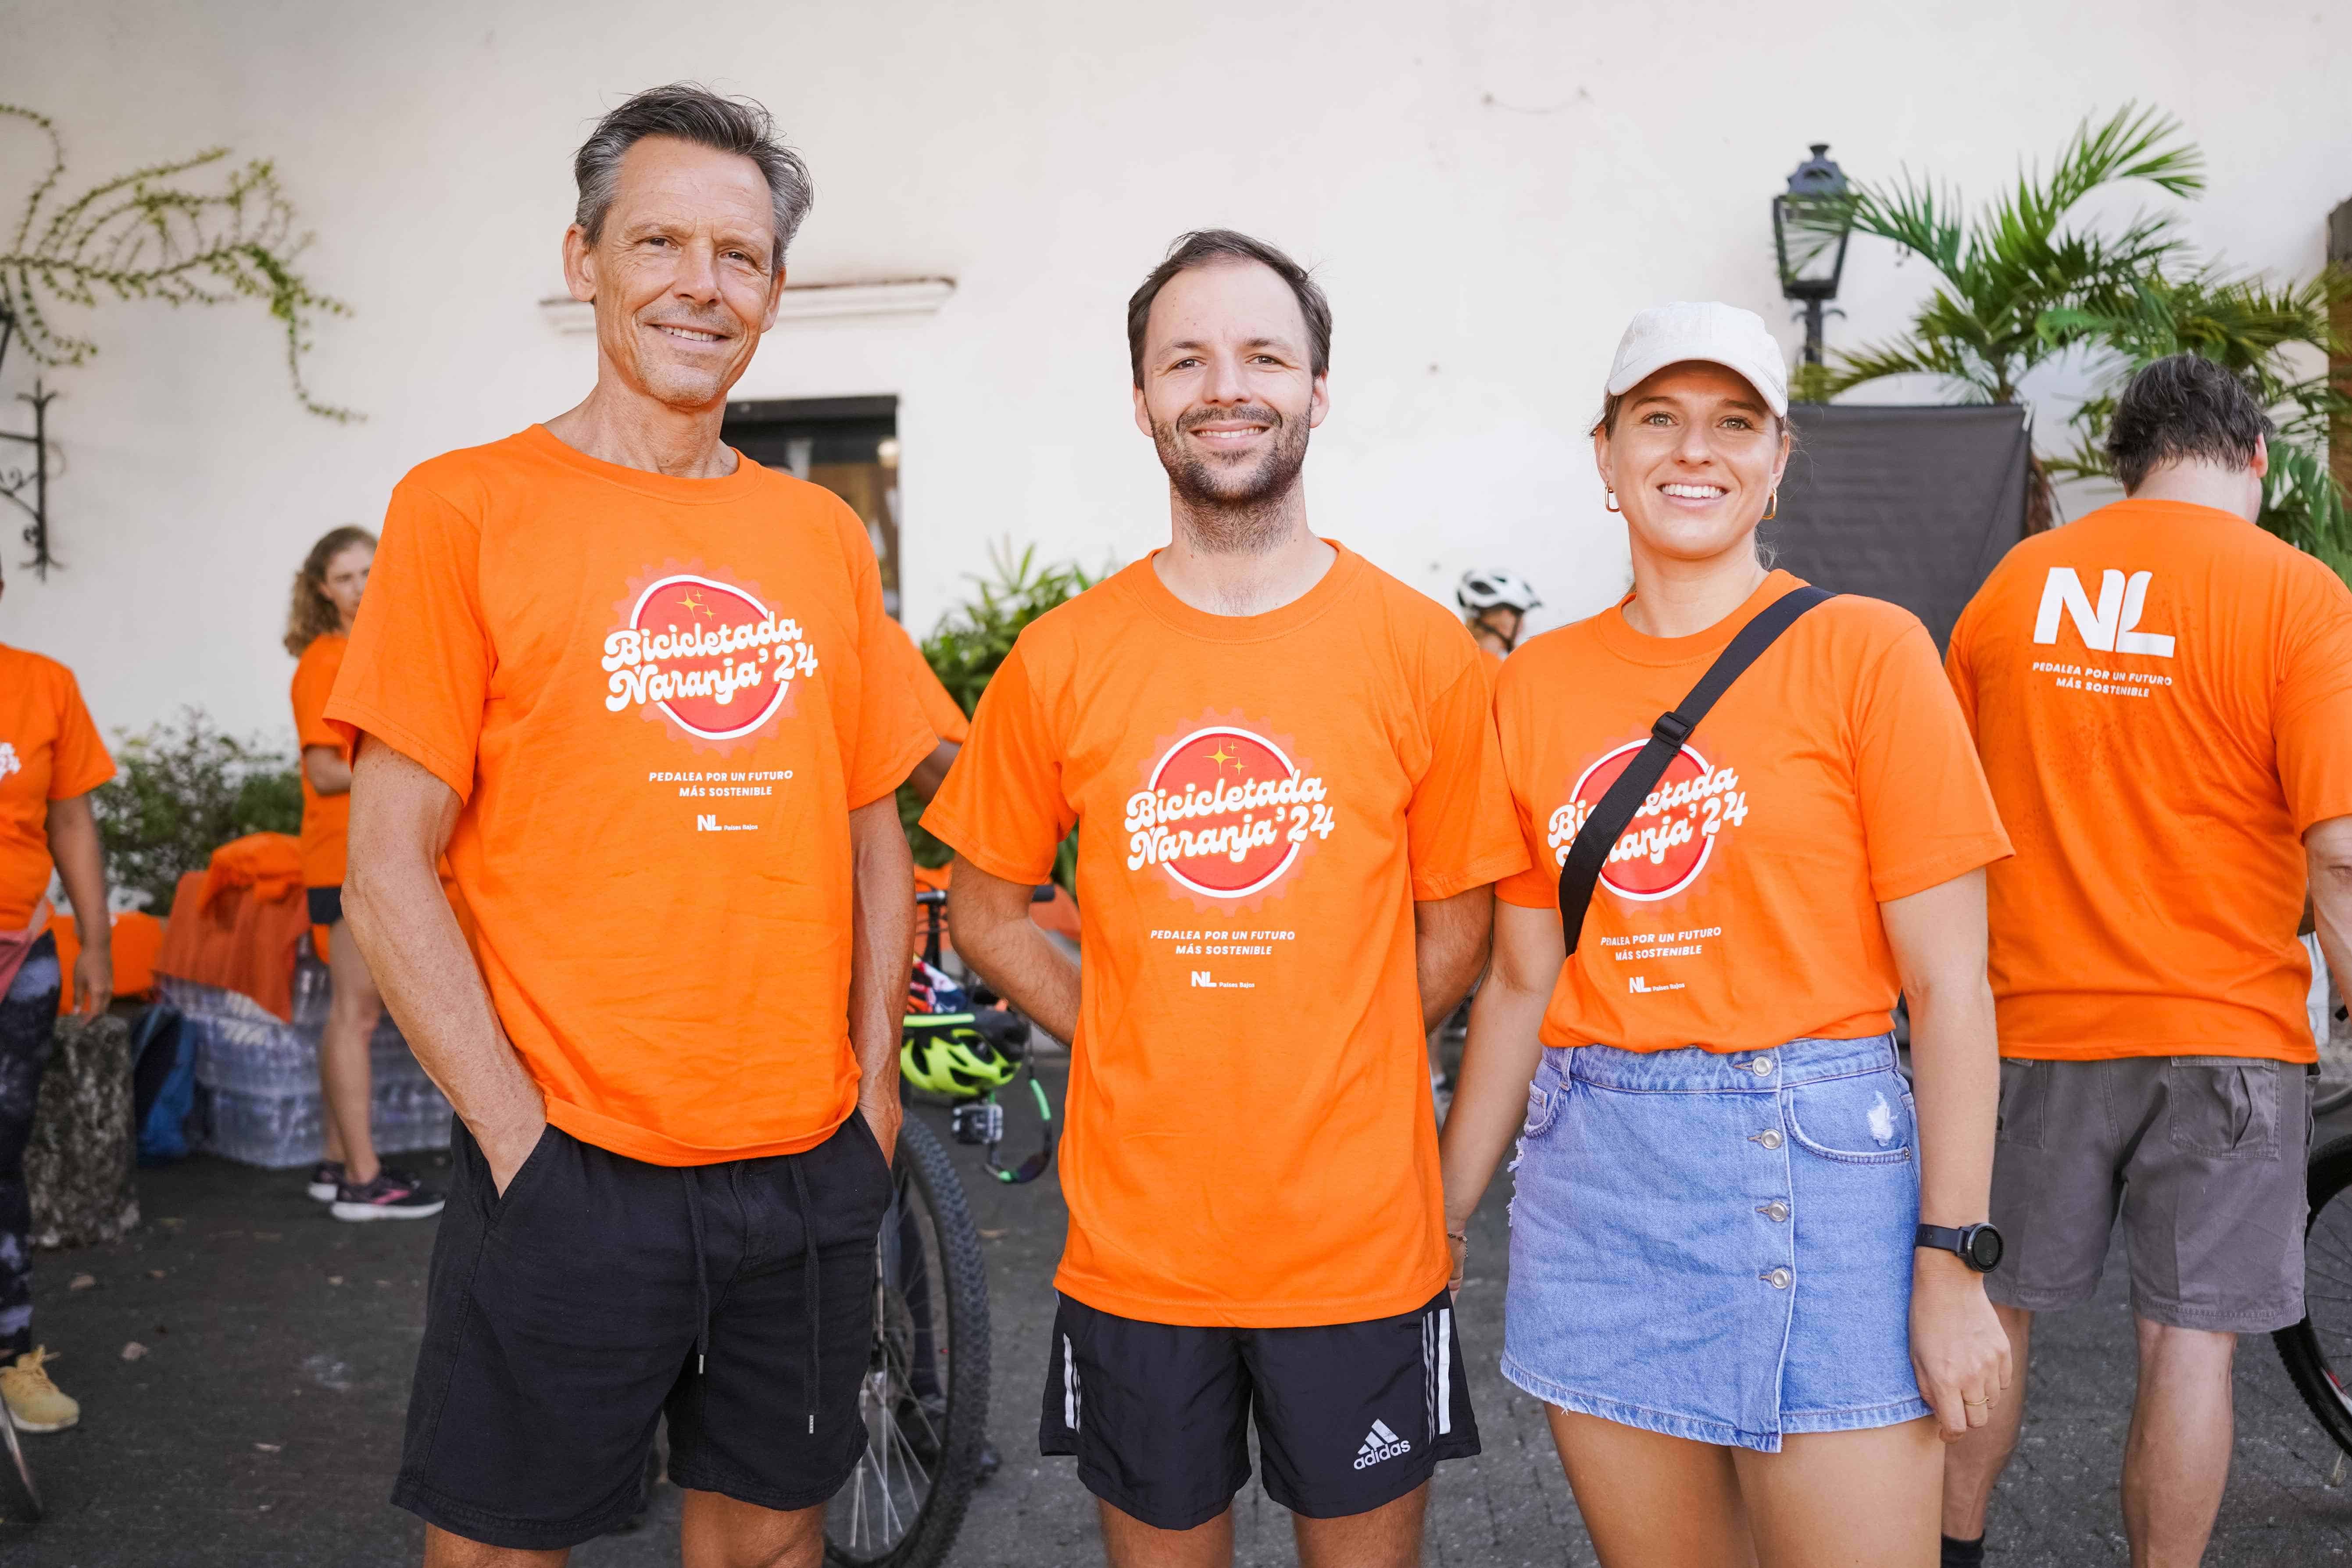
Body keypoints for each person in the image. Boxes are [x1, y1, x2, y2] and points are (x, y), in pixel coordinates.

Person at [325, 83, 932, 1566]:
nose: (699, 284)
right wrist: (516, 1138)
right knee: (500, 1544)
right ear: (582, 258)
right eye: (658, 240)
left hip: (803, 1164)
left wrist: (872, 1098)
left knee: (772, 1538)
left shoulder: (817, 537)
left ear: (776, 291)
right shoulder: (463, 510)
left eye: (738, 255)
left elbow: (874, 836)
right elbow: (386, 856)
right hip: (570, 1156)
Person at [923, 229, 1524, 1568]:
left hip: (1358, 1246)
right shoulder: (1060, 659)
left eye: (1262, 353)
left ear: (1317, 389)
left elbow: (1460, 929)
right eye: (1183, 358)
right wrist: (1133, 1032)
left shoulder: (1420, 652)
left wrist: (1333, 1039)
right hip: (1140, 1252)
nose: (1223, 385)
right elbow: (984, 912)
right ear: (1140, 401)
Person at [1438, 301, 2016, 1567]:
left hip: (1821, 1178)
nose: (1692, 450)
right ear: (1605, 456)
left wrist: (1953, 1262)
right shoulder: (1532, 685)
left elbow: (1953, 988)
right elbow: (1525, 976)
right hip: (1596, 1180)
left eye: (1732, 423)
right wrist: (1442, 1214)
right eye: (1658, 419)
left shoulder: (1869, 651)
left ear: (1775, 461)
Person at [1938, 354, 2352, 1568]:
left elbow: (1945, 823)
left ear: (2125, 461)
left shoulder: (2014, 588)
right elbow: (2338, 854)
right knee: (2188, 1343)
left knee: (1990, 1309)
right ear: (2258, 459)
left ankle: (1950, 1551)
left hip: (2030, 1027)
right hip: (2226, 1032)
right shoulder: (2298, 594)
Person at [286, 525, 443, 1221]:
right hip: (341, 855)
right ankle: (362, 1179)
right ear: (324, 589)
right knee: (356, 1014)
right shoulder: (328, 658)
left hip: (361, 850)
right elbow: (322, 770)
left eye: (371, 570)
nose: (361, 585)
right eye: (345, 576)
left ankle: (333, 1162)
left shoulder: (375, 651)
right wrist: (414, 764)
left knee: (347, 1014)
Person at [0, 552, 113, 1433]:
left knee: (3, 1155)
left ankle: (12, 1352)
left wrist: (97, 941)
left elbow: (72, 815)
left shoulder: (44, 685)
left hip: (20, 954)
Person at [1456, 568, 1541, 664]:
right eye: (1521, 617)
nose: (1523, 626)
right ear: (1506, 615)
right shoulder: (1493, 671)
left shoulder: (1461, 661)